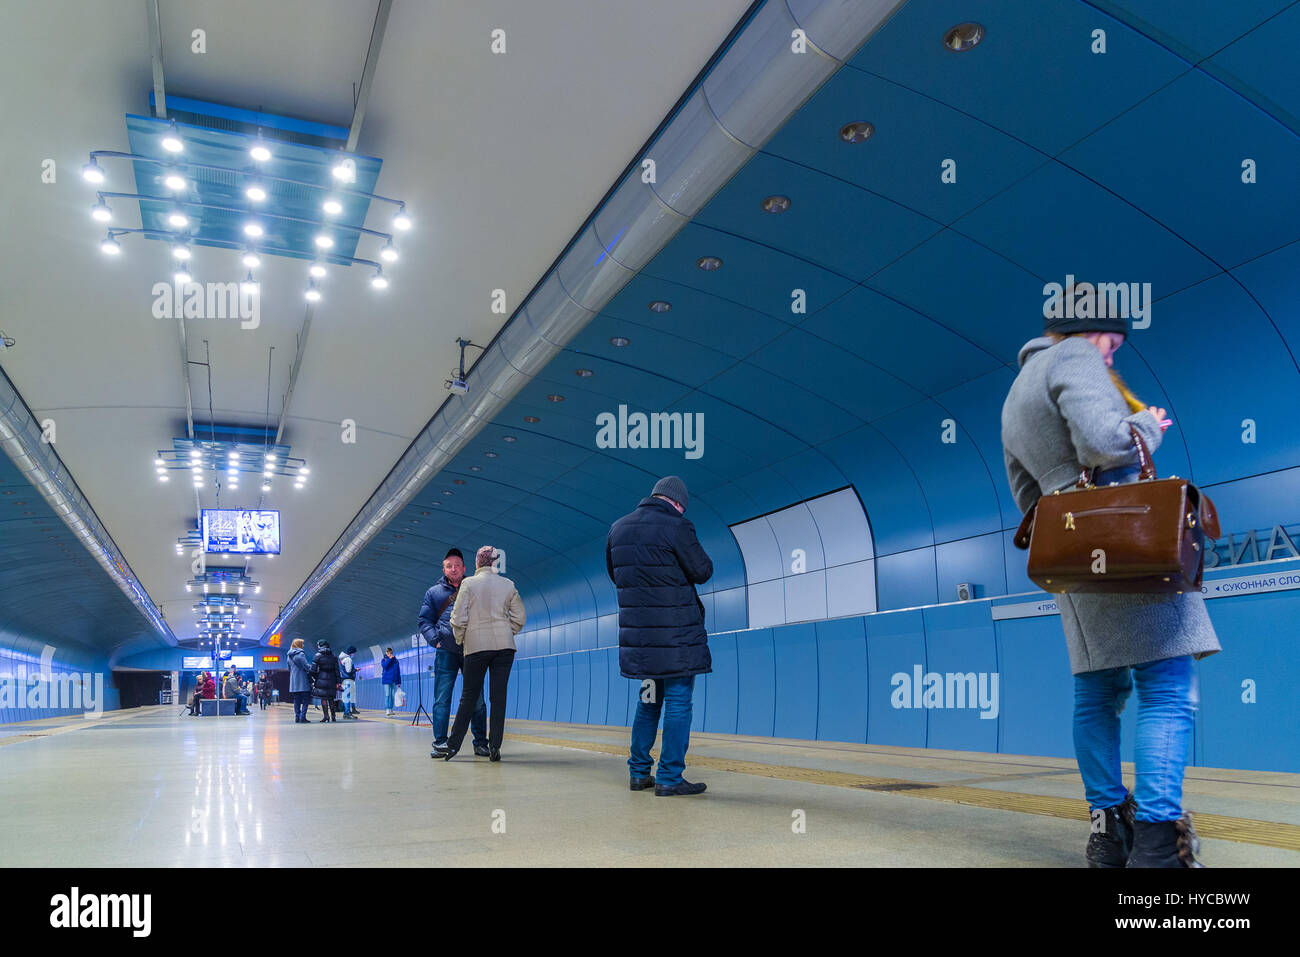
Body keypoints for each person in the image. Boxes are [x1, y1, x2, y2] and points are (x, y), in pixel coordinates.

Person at [1001, 283, 1220, 868]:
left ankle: (1107, 832)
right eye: (1113, 344)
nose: (1112, 357)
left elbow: (1027, 497)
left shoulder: (1015, 392)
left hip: (1075, 560)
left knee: (1096, 694)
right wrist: (1145, 426)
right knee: (1168, 687)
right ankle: (1156, 843)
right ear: (1096, 330)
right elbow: (1104, 443)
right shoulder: (1076, 356)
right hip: (1129, 548)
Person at [607, 476, 713, 796]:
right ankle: (669, 776)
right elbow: (702, 570)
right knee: (679, 702)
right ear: (677, 503)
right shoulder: (678, 526)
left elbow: (616, 575)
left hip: (641, 641)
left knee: (649, 701)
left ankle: (639, 773)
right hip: (677, 637)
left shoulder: (618, 528)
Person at [442, 546, 525, 762]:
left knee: (468, 697)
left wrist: (462, 639)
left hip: (476, 647)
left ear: (477, 563)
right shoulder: (508, 585)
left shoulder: (468, 584)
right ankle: (495, 747)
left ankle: (453, 747)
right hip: (505, 648)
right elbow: (519, 617)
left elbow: (457, 618)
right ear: (495, 563)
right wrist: (507, 631)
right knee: (499, 698)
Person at [418, 547, 488, 757]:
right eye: (449, 566)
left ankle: (480, 742)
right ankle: (440, 742)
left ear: (465, 567)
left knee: (477, 698)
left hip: (471, 649)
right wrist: (435, 641)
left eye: (457, 565)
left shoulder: (474, 587)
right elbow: (424, 620)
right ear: (444, 568)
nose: (454, 569)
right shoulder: (434, 593)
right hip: (446, 650)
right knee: (442, 698)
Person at [310, 640, 341, 723]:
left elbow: (313, 670)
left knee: (323, 698)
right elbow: (337, 670)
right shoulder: (334, 656)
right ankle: (333, 716)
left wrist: (316, 677)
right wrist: (338, 681)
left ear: (320, 645)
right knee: (331, 698)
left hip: (321, 678)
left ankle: (326, 716)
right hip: (332, 679)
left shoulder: (318, 655)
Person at [288, 639, 313, 723]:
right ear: (299, 645)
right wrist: (312, 668)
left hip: (294, 680)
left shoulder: (289, 655)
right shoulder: (301, 654)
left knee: (296, 699)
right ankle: (303, 717)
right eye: (302, 644)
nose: (303, 645)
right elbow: (306, 666)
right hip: (302, 679)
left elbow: (289, 668)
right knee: (306, 699)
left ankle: (297, 717)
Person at [338, 646, 360, 720]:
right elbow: (348, 670)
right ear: (352, 652)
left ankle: (346, 712)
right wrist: (355, 670)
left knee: (346, 696)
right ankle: (347, 713)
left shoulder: (342, 659)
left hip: (344, 680)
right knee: (347, 697)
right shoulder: (348, 659)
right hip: (348, 680)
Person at [381, 647, 401, 715]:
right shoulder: (384, 660)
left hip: (393, 680)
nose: (390, 654)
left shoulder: (395, 661)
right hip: (386, 680)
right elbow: (385, 666)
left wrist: (399, 682)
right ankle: (387, 709)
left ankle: (391, 709)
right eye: (388, 652)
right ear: (386, 653)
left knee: (392, 695)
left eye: (391, 653)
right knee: (387, 695)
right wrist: (389, 659)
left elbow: (398, 671)